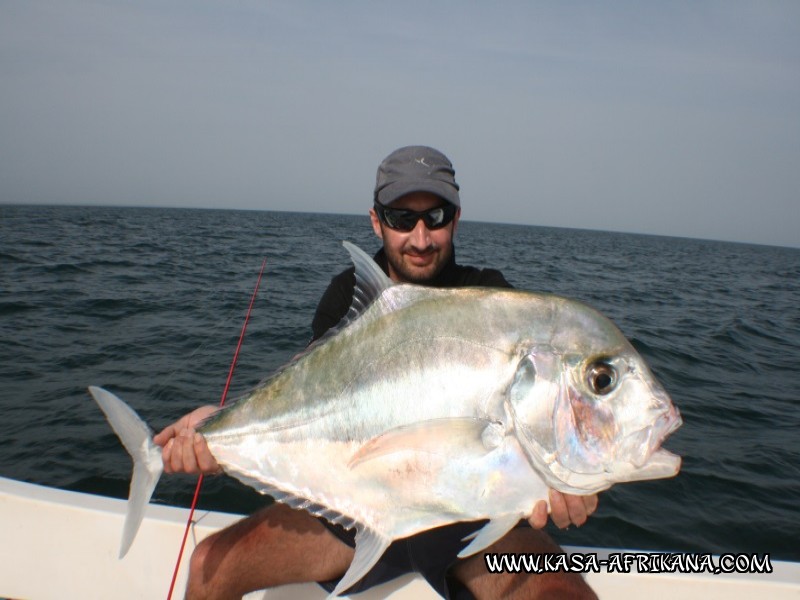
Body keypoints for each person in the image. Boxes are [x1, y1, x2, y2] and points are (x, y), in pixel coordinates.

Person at [156, 146, 599, 599]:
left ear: (456, 219)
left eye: (437, 217)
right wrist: (220, 431)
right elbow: (304, 406)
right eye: (402, 219)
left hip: (464, 525)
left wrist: (559, 484)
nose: (421, 238)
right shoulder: (348, 295)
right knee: (210, 565)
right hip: (354, 511)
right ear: (376, 221)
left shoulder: (491, 301)